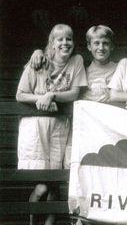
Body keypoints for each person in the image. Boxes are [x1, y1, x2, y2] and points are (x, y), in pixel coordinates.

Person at [15, 24, 87, 225]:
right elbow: (20, 94)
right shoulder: (37, 62)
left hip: (60, 126)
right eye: (60, 39)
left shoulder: (76, 61)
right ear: (52, 43)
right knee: (41, 187)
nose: (65, 43)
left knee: (54, 183)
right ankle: (32, 221)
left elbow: (74, 93)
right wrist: (40, 99)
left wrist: (51, 94)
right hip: (36, 127)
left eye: (69, 39)